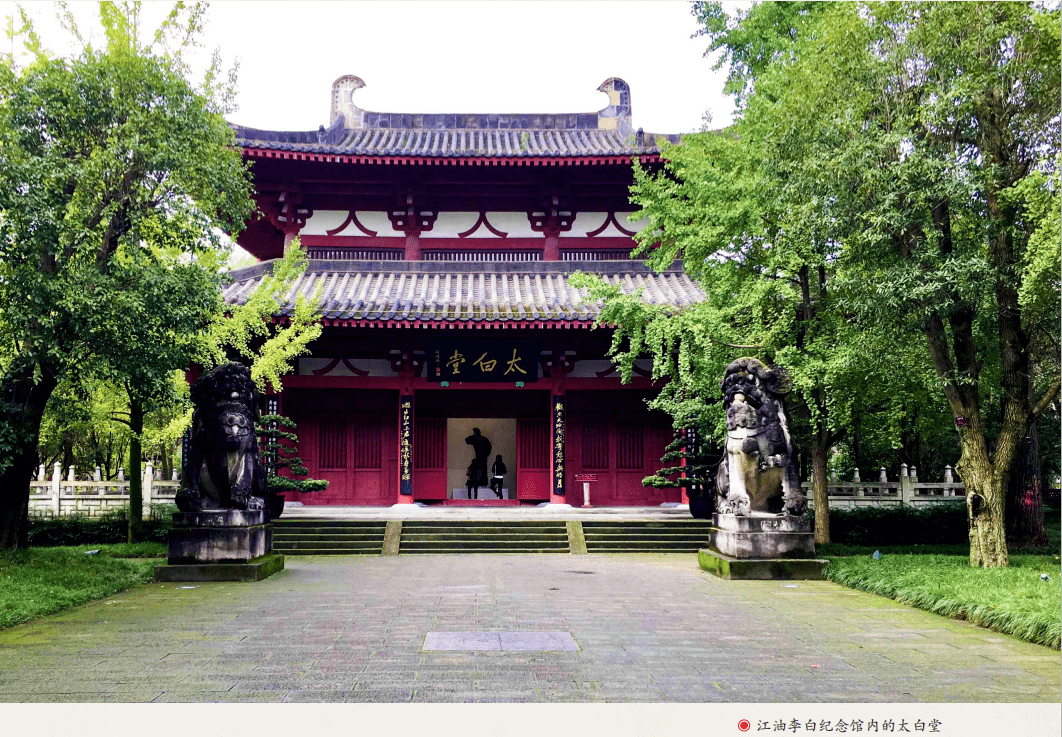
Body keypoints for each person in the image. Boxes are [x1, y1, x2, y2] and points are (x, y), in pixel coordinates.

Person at [464, 427, 492, 499]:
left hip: (479, 456)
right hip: (484, 456)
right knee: (483, 470)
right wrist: (486, 454)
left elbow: (467, 440)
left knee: (478, 469)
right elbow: (489, 447)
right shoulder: (484, 439)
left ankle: (479, 482)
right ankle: (483, 482)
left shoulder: (475, 438)